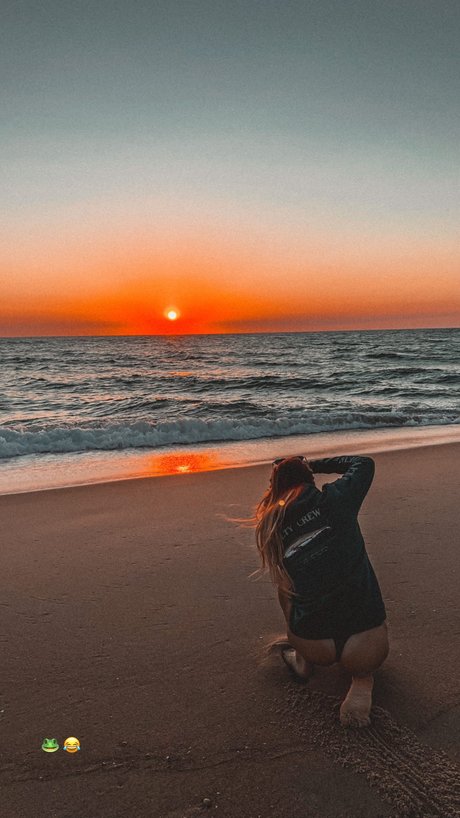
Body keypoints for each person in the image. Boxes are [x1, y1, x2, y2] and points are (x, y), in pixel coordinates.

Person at [253, 454, 389, 728]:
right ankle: (362, 680)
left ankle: (303, 660)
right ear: (309, 477)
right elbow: (363, 463)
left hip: (313, 643)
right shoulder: (335, 500)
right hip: (364, 643)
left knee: (286, 585)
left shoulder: (272, 526)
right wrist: (314, 464)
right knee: (355, 583)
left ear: (276, 487)